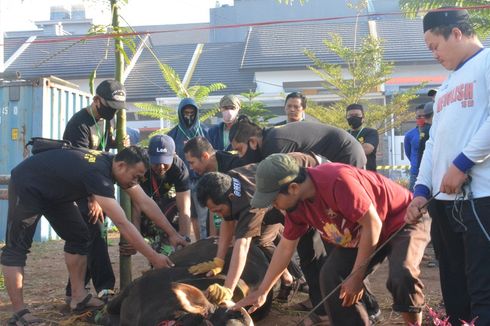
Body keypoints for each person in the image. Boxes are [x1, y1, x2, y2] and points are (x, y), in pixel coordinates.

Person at [234, 154, 430, 326]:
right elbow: (285, 247)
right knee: (331, 276)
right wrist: (263, 291)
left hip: (402, 219)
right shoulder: (296, 207)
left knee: (401, 274)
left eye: (274, 200)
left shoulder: (337, 180)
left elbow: (373, 224)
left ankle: (413, 323)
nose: (274, 207)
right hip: (361, 233)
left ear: (293, 187)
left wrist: (356, 276)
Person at [1, 146, 187, 325]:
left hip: (55, 193)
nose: (135, 182)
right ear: (121, 166)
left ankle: (78, 297)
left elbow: (145, 202)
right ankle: (19, 312)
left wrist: (172, 233)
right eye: (135, 177)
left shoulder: (112, 164)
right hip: (29, 185)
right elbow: (122, 223)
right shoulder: (99, 175)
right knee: (16, 249)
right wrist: (153, 257)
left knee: (80, 236)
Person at [406, 7, 490, 325]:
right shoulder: (444, 88)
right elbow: (433, 145)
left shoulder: (487, 62)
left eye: (434, 46)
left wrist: (463, 163)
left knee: (483, 286)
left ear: (456, 32)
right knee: (455, 287)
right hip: (444, 203)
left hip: (480, 198)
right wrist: (421, 190)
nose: (434, 54)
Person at [190, 152, 318, 306]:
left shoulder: (248, 203)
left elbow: (242, 245)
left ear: (230, 198)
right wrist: (218, 260)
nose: (217, 214)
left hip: (305, 185)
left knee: (309, 248)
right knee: (262, 240)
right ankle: (288, 277)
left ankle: (316, 298)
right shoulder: (227, 183)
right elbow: (228, 221)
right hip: (275, 197)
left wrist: (228, 289)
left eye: (218, 210)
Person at [62, 79, 127, 302]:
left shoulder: (105, 121)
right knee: (97, 235)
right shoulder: (78, 124)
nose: (112, 112)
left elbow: (102, 149)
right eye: (109, 106)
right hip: (82, 190)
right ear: (96, 100)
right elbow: (79, 164)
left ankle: (74, 290)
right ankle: (105, 288)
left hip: (98, 186)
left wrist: (119, 141)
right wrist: (93, 198)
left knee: (90, 238)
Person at [130, 135, 192, 255]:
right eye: (156, 162)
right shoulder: (140, 164)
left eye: (165, 162)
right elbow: (136, 207)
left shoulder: (179, 168)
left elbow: (184, 209)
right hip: (141, 203)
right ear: (148, 156)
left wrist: (184, 240)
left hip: (164, 202)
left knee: (174, 213)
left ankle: (167, 250)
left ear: (173, 155)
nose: (161, 167)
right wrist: (135, 240)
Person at [229, 116, 367, 168]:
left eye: (240, 150)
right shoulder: (270, 139)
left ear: (253, 142)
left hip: (346, 153)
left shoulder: (274, 143)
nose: (240, 156)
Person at [167, 98, 209, 239]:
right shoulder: (172, 135)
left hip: (202, 181)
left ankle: (203, 246)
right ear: (180, 113)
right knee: (186, 217)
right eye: (186, 112)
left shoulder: (205, 132)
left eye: (192, 113)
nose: (189, 116)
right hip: (181, 183)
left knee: (203, 218)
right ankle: (188, 247)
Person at [346, 104, 379, 172]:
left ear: (363, 117)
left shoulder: (371, 132)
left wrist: (344, 152)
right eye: (351, 115)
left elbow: (367, 149)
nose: (354, 117)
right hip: (348, 174)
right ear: (346, 117)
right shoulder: (344, 134)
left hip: (367, 175)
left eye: (357, 115)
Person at [403, 104, 425, 191]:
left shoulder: (435, 132)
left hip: (433, 173)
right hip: (416, 174)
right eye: (419, 116)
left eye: (424, 116)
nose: (421, 118)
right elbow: (408, 153)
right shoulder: (409, 135)